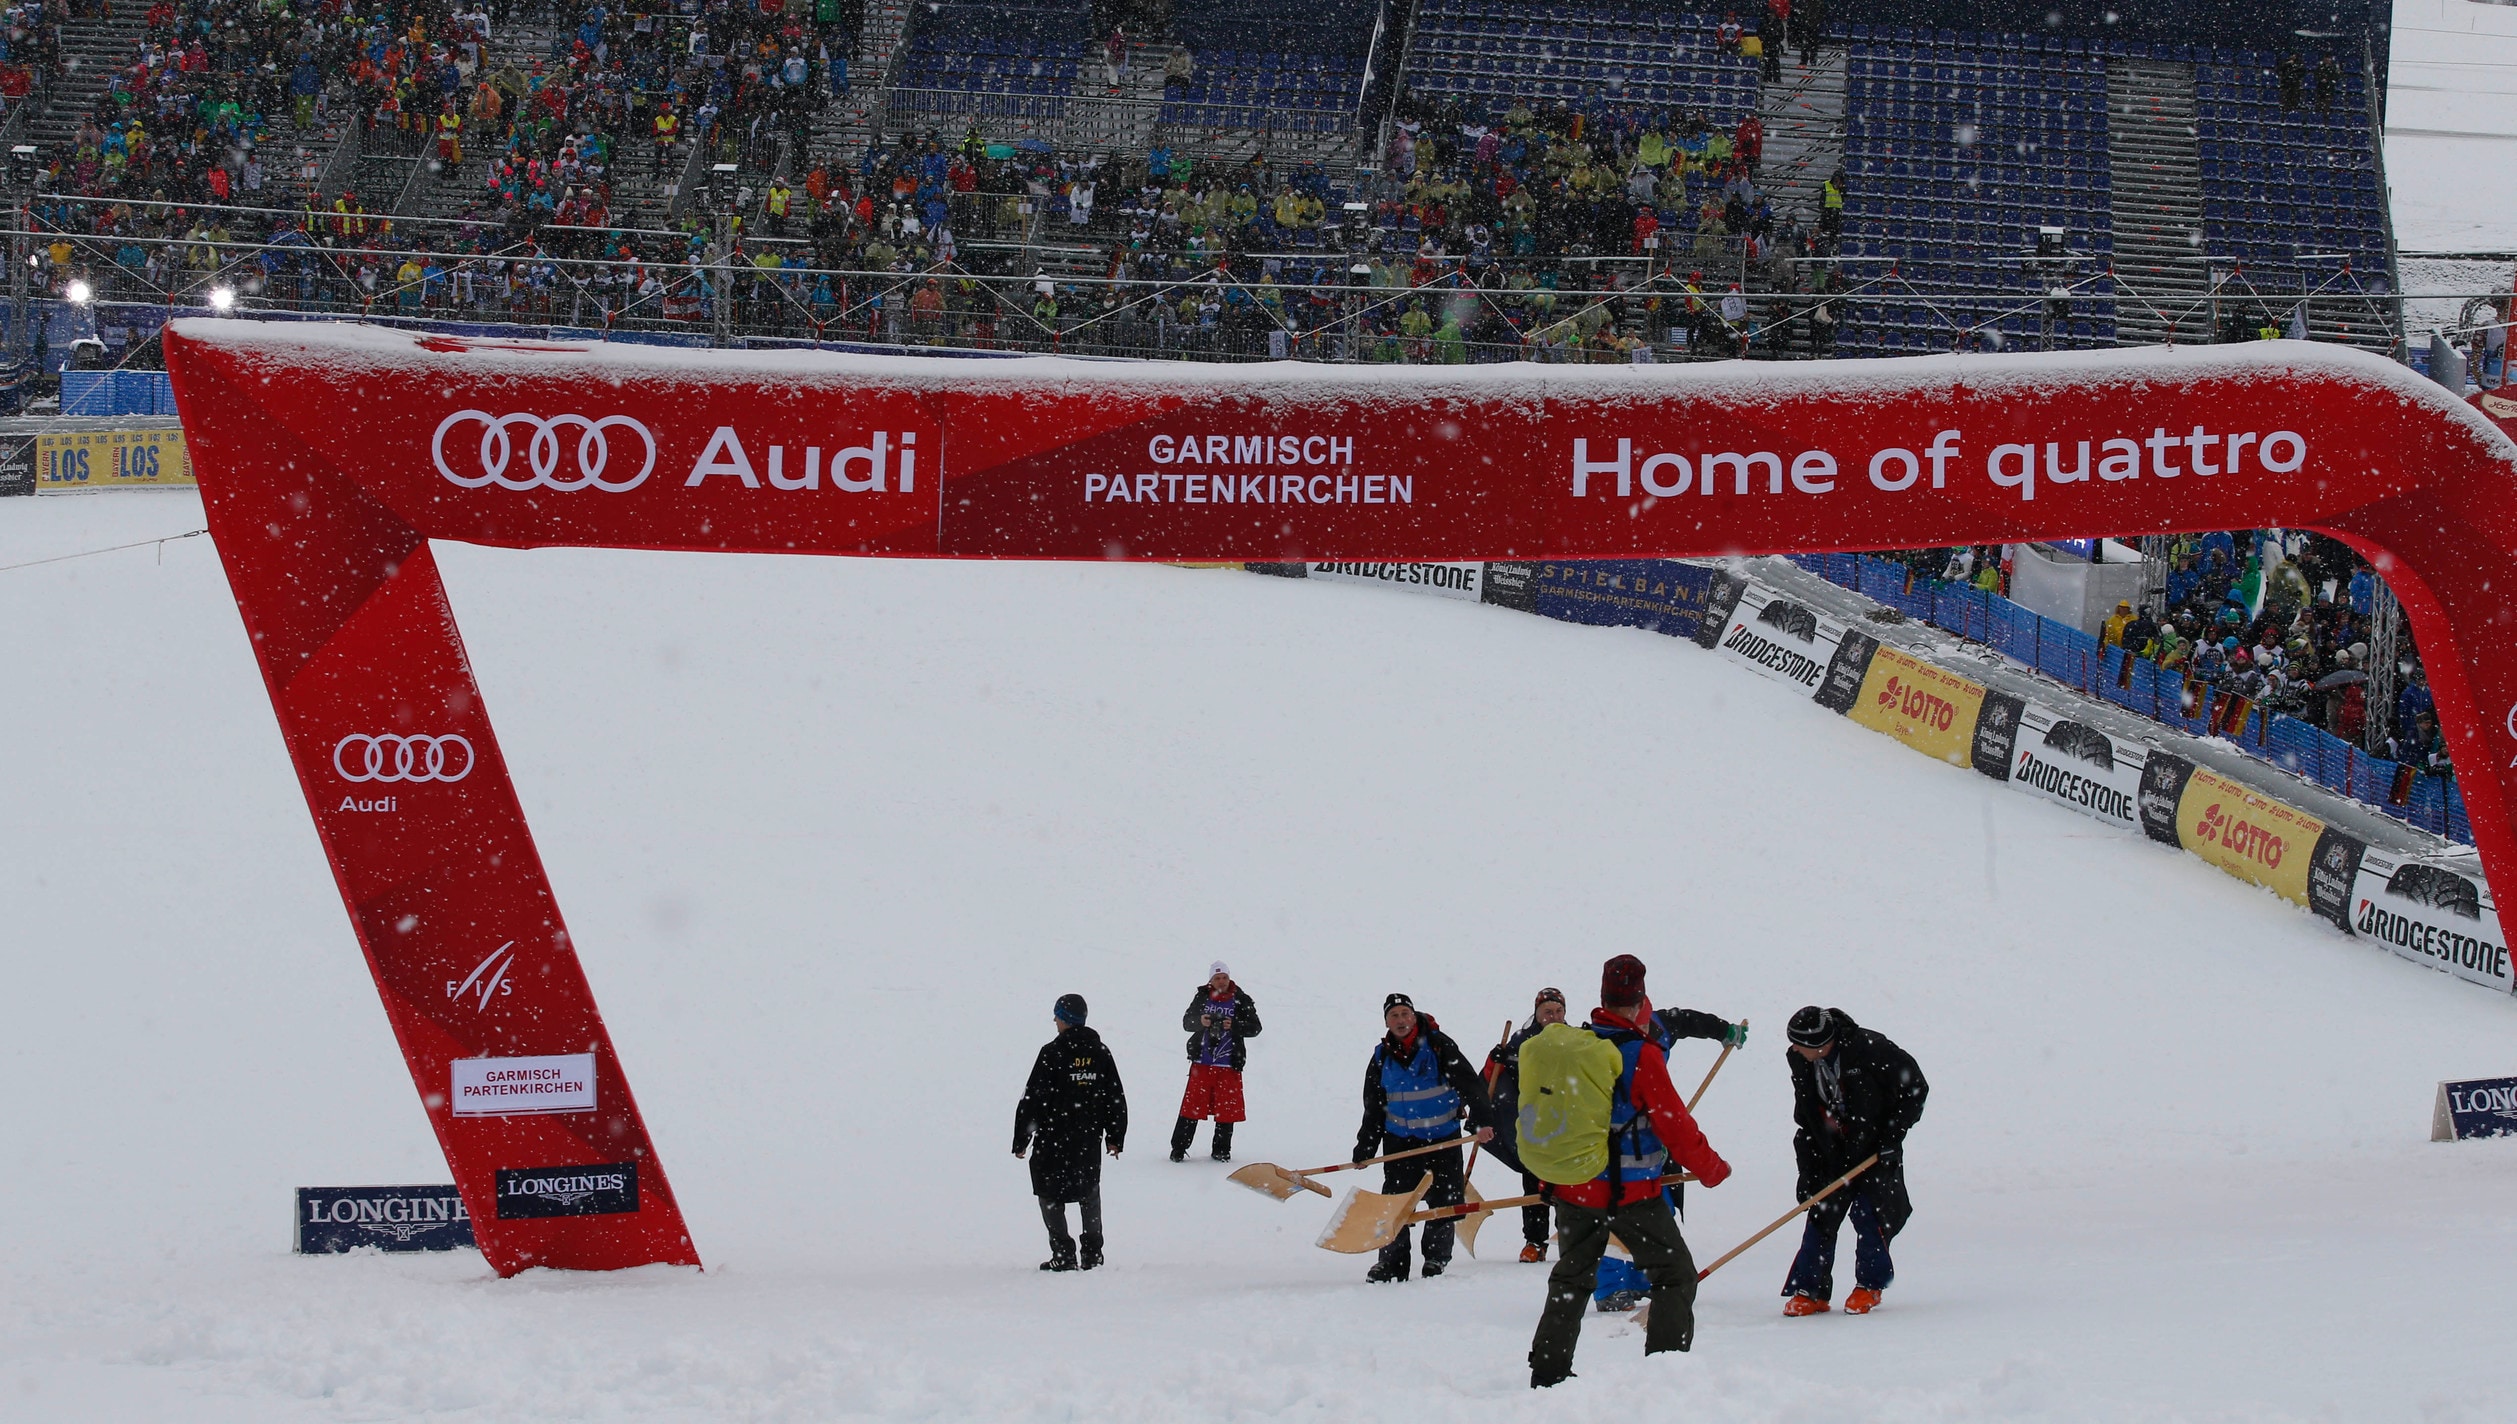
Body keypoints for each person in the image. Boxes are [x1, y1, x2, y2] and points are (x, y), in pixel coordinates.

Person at [1528, 956, 1733, 1389]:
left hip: (1574, 1188)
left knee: (1571, 1278)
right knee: (1675, 1275)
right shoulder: (1641, 1054)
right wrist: (1712, 1170)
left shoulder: (1580, 1045)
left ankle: (1548, 1375)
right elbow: (1675, 1126)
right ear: (1640, 1002)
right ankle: (1664, 1376)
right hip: (1631, 1194)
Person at [1781, 1006, 1927, 1315]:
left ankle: (1869, 1286)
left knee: (1869, 1214)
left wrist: (1892, 1136)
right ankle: (1811, 1290)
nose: (1793, 1048)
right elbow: (1806, 1117)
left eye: (1799, 1043)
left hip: (1873, 1149)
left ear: (1820, 1043)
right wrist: (1807, 1169)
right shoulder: (1800, 1059)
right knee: (1821, 1212)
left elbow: (1915, 1088)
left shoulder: (1871, 1049)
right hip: (1830, 1150)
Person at [1353, 993, 1493, 1283]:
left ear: (1414, 1016)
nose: (1401, 1020)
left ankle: (1435, 1260)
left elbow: (1470, 1084)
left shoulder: (1440, 1046)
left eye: (1405, 1014)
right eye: (1394, 1016)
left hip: (1443, 1140)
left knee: (1444, 1201)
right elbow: (1374, 1106)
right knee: (1396, 1202)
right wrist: (1366, 1146)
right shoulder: (1381, 1056)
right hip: (1400, 1142)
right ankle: (1391, 1264)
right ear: (1386, 1022)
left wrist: (1482, 1121)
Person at [1013, 993, 1128, 1272]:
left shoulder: (1052, 1053)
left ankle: (1063, 1253)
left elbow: (1033, 1099)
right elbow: (1115, 1096)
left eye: (1057, 1015)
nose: (1054, 1020)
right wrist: (1114, 1136)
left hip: (1054, 1136)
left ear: (1064, 1019)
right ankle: (1093, 1254)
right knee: (1089, 1192)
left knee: (1049, 1193)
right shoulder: (1100, 1052)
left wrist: (1022, 1139)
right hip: (1088, 1137)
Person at [1483, 987, 1570, 1263]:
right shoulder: (1520, 1042)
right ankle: (1534, 1242)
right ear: (1537, 1013)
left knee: (1569, 1184)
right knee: (1534, 1184)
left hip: (1567, 1124)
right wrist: (1493, 1061)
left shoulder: (1576, 1040)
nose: (1553, 1016)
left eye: (1558, 1011)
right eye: (1548, 1012)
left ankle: (1569, 1239)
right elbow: (1492, 1079)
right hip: (1532, 1125)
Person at [1171, 961, 1261, 1162]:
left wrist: (1235, 1025)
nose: (1222, 982)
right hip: (1202, 1063)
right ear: (1210, 980)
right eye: (1217, 978)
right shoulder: (1202, 996)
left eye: (1225, 978)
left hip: (1229, 1065)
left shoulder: (1241, 999)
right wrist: (1200, 1022)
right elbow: (1187, 1022)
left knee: (1227, 1111)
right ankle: (1178, 1149)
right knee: (1191, 1108)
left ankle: (1221, 1151)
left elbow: (1255, 1028)